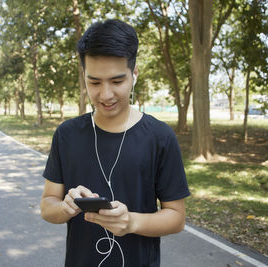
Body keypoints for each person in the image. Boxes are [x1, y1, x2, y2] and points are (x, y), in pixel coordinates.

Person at [40, 19, 190, 267]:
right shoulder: (67, 135)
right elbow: (47, 206)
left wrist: (132, 222)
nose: (106, 94)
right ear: (84, 76)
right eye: (94, 82)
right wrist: (65, 207)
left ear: (134, 75)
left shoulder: (160, 137)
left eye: (117, 82)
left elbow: (176, 217)